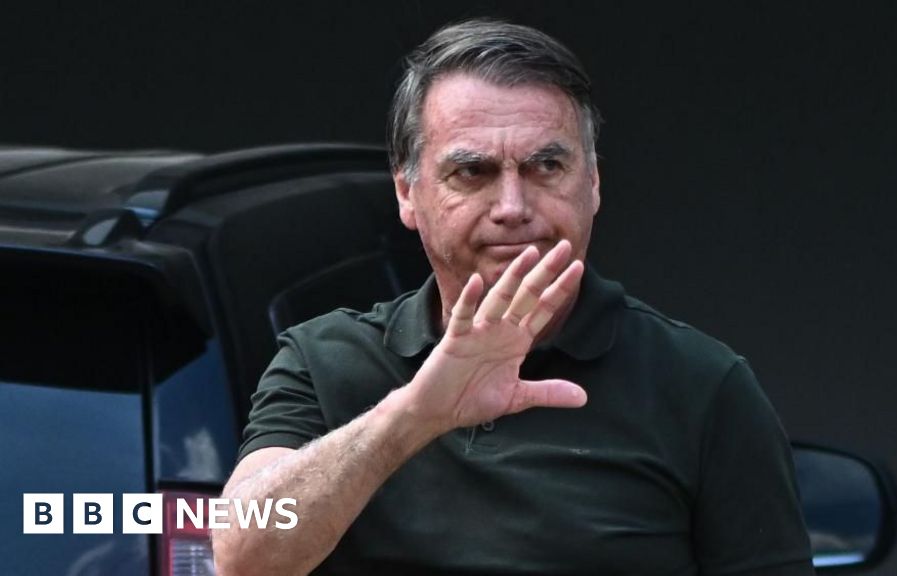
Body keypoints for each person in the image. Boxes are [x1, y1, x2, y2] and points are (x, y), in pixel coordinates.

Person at [212, 19, 814, 576]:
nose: (512, 207)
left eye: (546, 166)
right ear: (407, 194)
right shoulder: (321, 361)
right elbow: (242, 554)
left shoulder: (703, 385)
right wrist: (417, 414)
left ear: (593, 183)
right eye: (471, 172)